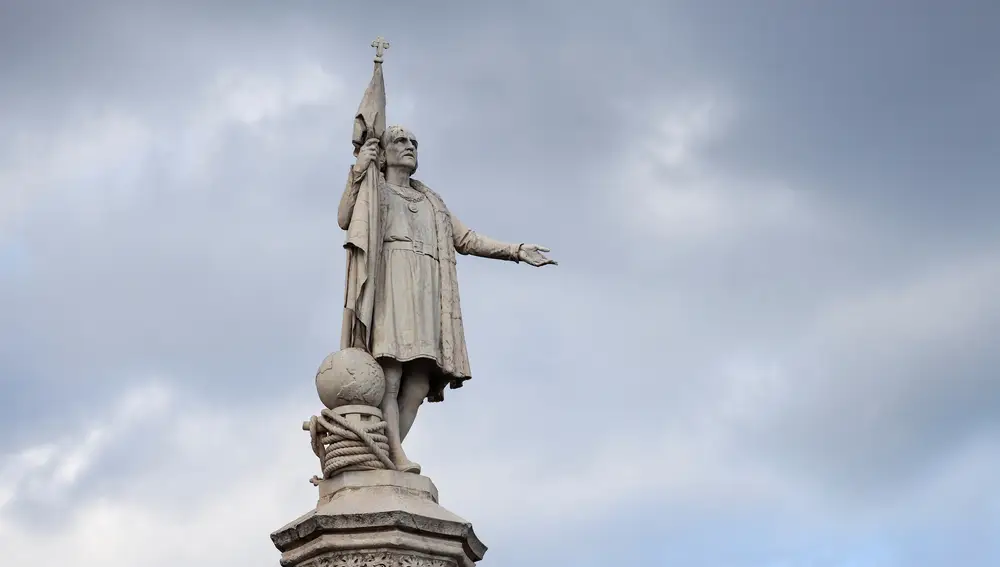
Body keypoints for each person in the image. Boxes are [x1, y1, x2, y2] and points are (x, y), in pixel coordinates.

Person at [338, 125, 556, 472]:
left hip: (425, 287)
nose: (410, 147)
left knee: (420, 381)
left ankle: (382, 455)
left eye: (414, 143)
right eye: (401, 142)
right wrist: (358, 171)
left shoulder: (430, 201)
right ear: (384, 152)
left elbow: (466, 239)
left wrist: (515, 251)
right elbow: (345, 219)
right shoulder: (374, 190)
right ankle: (394, 456)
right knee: (390, 375)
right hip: (392, 281)